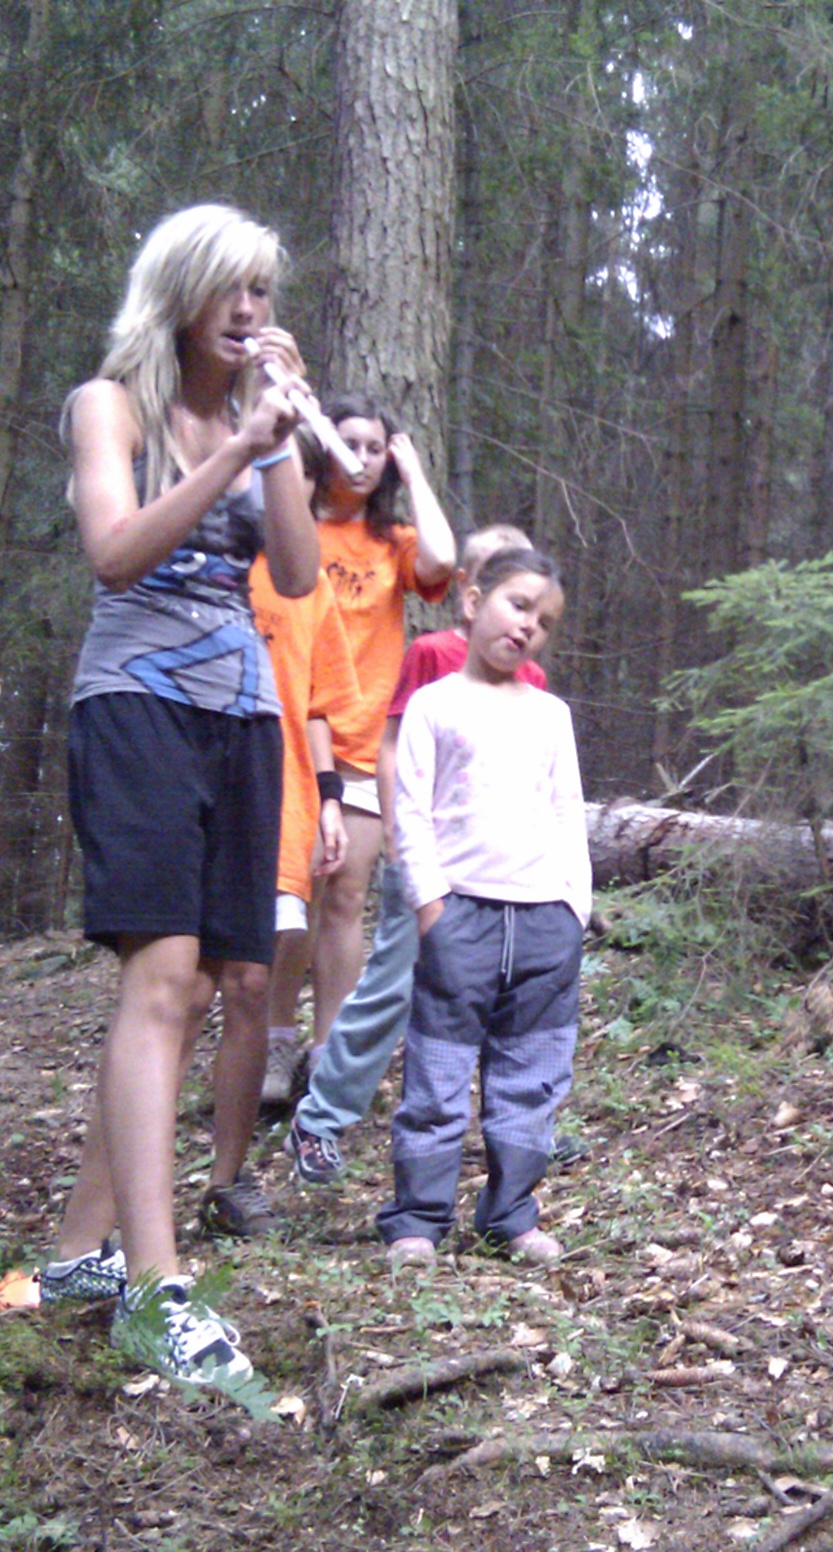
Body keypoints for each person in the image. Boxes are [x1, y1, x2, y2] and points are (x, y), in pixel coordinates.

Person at [33, 203, 315, 1403]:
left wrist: (280, 436)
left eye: (263, 291)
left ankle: (74, 1254)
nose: (250, 310)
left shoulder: (257, 421)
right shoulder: (111, 407)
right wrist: (234, 449)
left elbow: (296, 571)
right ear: (180, 293)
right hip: (136, 702)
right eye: (231, 288)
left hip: (241, 714)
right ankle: (156, 1288)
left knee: (201, 987)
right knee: (159, 978)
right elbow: (113, 551)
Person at [286, 523, 545, 1186]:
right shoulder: (433, 654)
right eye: (500, 583)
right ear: (469, 591)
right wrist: (402, 837)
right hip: (428, 855)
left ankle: (512, 1129)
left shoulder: (531, 676)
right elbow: (394, 746)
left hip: (500, 865)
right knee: (393, 986)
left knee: (503, 997)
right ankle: (320, 1118)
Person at [375, 547, 586, 1269]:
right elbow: (411, 810)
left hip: (544, 919)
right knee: (437, 1073)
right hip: (459, 915)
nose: (528, 626)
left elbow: (567, 810)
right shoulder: (435, 704)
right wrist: (430, 904)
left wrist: (574, 906)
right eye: (518, 605)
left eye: (544, 621)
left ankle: (510, 1215)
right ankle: (418, 1218)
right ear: (472, 602)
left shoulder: (550, 715)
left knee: (531, 1074)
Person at [285, 396, 455, 1099]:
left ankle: (330, 1053)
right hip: (291, 733)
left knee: (346, 896)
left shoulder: (392, 540)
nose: (360, 458)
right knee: (292, 897)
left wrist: (415, 473)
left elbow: (443, 560)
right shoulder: (293, 524)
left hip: (363, 738)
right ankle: (273, 1041)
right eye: (347, 442)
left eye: (375, 447)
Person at [243, 552, 359, 1115]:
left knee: (280, 934)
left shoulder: (306, 582)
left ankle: (276, 1052)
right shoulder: (204, 562)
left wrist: (328, 795)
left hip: (288, 784)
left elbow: (316, 705)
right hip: (205, 780)